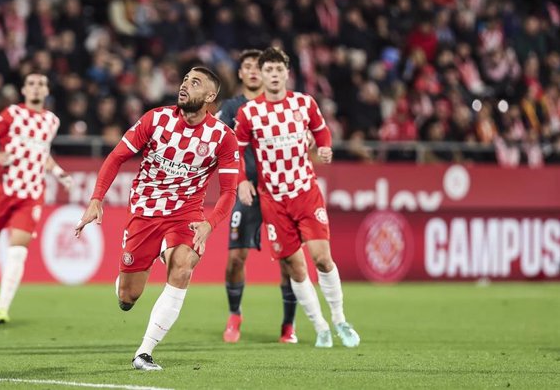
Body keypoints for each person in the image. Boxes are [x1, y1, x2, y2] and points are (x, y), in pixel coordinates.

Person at [74, 66, 239, 371]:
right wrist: (96, 198)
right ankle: (128, 277)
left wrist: (209, 222)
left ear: (210, 96)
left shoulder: (222, 137)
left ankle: (144, 352)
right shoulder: (156, 119)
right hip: (145, 212)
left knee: (184, 264)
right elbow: (116, 157)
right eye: (186, 79)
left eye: (196, 82)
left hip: (185, 214)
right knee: (127, 298)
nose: (185, 85)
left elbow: (229, 191)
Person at [234, 47, 360, 348]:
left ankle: (340, 319)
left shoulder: (304, 103)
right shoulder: (249, 112)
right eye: (269, 71)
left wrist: (325, 147)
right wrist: (241, 181)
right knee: (295, 267)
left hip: (305, 193)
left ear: (286, 73)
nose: (274, 75)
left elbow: (321, 131)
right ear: (261, 75)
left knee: (322, 259)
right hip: (273, 200)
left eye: (279, 70)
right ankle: (320, 328)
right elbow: (236, 150)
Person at [0, 73, 72, 326]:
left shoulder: (52, 121)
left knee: (18, 252)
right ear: (24, 90)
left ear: (47, 90)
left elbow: (43, 154)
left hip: (31, 194)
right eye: (31, 84)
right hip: (4, 190)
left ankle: (1, 309)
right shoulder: (12, 114)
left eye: (41, 84)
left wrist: (59, 172)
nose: (36, 88)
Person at [216, 49, 298, 344]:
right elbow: (219, 146)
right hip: (247, 189)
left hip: (281, 190)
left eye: (257, 67)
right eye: (246, 66)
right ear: (240, 73)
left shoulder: (285, 105)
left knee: (289, 260)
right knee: (236, 258)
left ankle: (288, 325)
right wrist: (238, 180)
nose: (252, 71)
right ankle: (234, 315)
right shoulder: (231, 108)